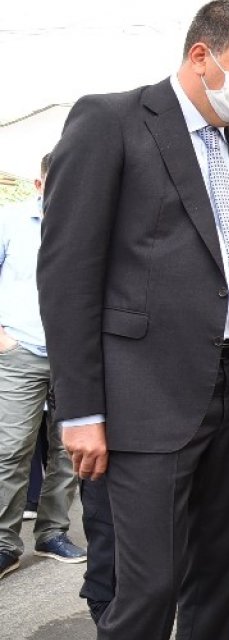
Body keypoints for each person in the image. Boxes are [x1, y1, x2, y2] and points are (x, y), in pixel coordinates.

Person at [38, 2, 229, 637]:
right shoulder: (112, 120)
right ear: (200, 56)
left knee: (220, 573)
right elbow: (69, 273)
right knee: (148, 584)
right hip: (144, 393)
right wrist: (79, 411)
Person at [0, 153, 86, 581]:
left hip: (74, 356)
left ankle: (52, 532)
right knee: (12, 447)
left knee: (68, 449)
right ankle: (3, 542)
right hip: (21, 351)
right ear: (39, 185)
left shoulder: (86, 224)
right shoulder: (10, 221)